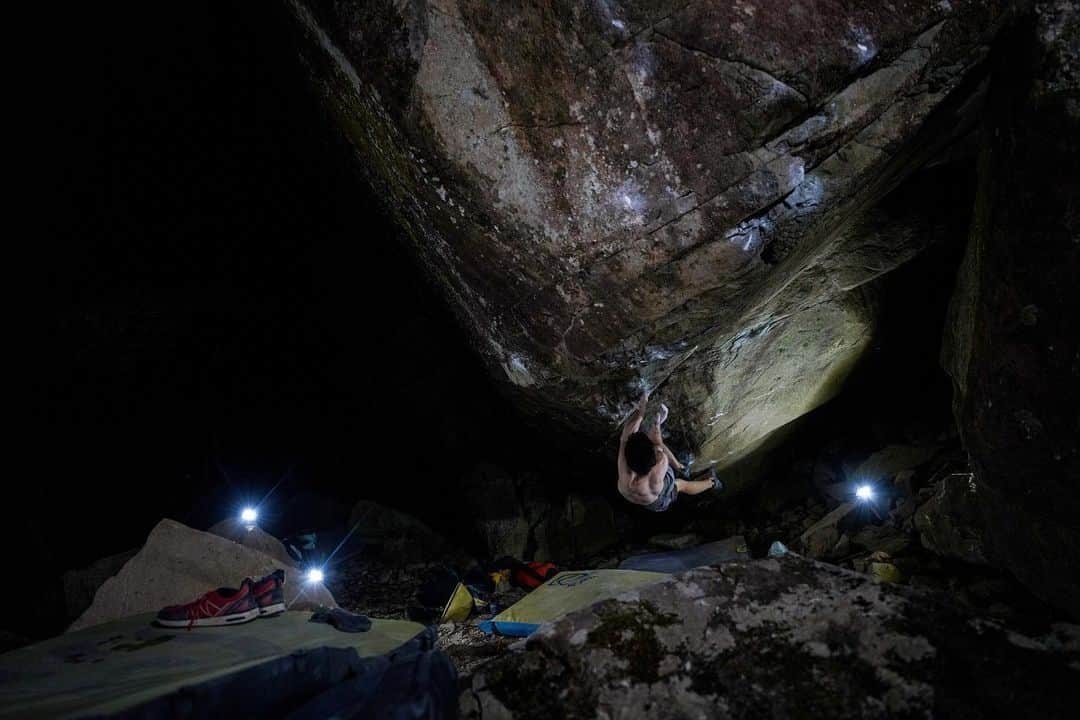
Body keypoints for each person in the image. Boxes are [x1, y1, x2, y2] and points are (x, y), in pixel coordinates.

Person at [617, 390, 719, 512]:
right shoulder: (660, 464)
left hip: (643, 499)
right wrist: (657, 427)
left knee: (638, 444)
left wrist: (641, 411)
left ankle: (683, 469)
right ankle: (712, 482)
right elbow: (658, 443)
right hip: (659, 501)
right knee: (681, 484)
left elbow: (625, 438)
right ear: (653, 458)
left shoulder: (625, 473)